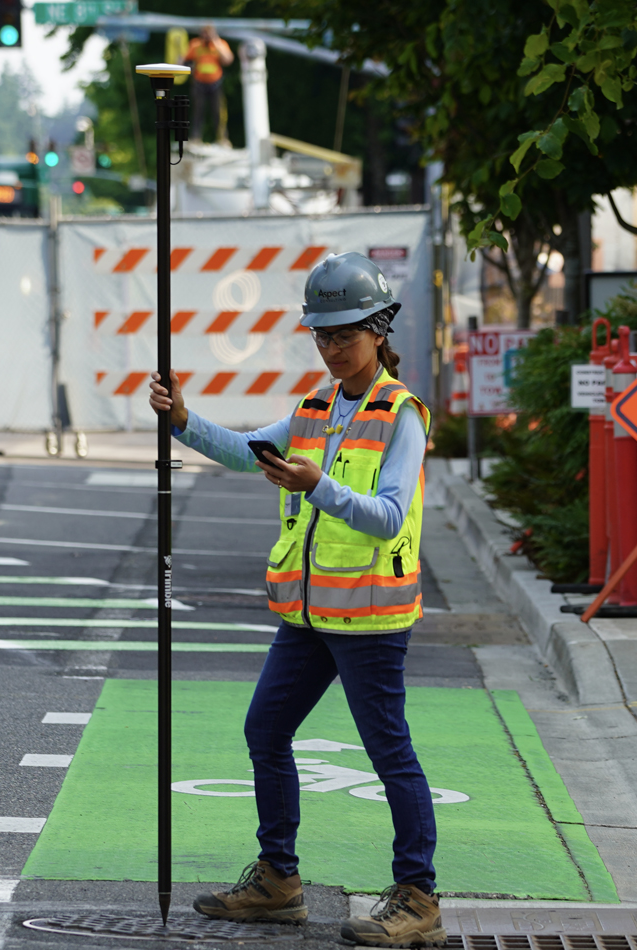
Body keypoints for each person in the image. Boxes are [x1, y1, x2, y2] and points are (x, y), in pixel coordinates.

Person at [148, 252, 445, 948]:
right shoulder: (315, 408)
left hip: (371, 616)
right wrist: (184, 419)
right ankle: (279, 882)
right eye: (322, 335)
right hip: (309, 615)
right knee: (265, 730)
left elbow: (390, 515)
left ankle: (418, 896)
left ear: (379, 330)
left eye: (345, 334)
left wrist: (317, 486)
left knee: (388, 753)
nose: (332, 347)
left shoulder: (403, 414)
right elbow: (242, 451)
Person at [183, 25, 234, 144]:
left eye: (208, 33)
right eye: (204, 33)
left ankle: (222, 139)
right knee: (197, 111)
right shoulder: (195, 45)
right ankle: (195, 138)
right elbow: (185, 59)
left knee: (218, 112)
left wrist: (215, 42)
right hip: (199, 83)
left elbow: (228, 60)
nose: (206, 36)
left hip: (215, 84)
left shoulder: (220, 44)